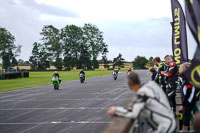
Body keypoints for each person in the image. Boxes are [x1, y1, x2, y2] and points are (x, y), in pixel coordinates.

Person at [107, 71, 176, 133]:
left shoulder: (142, 93)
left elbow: (134, 113)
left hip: (165, 126)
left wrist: (116, 110)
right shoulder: (151, 85)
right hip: (168, 121)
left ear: (129, 84)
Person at [179, 62, 198, 131]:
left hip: (188, 103)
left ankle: (184, 130)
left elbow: (188, 93)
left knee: (185, 121)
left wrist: (184, 103)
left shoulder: (188, 81)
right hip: (188, 102)